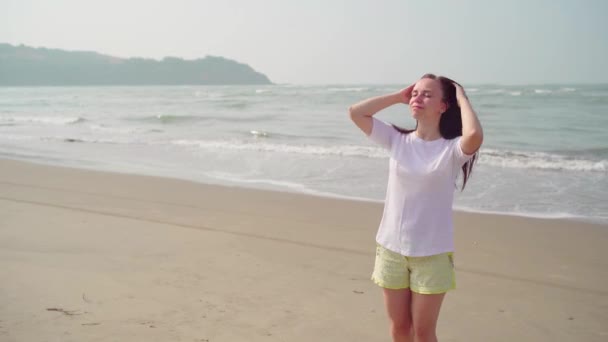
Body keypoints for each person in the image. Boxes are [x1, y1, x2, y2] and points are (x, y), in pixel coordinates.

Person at [348, 74, 483, 342]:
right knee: (399, 329)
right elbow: (356, 112)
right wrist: (399, 96)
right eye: (415, 93)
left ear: (443, 106)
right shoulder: (397, 139)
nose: (417, 97)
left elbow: (474, 134)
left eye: (427, 94)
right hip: (391, 249)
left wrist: (462, 98)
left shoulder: (452, 150)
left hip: (431, 255)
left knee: (423, 333)